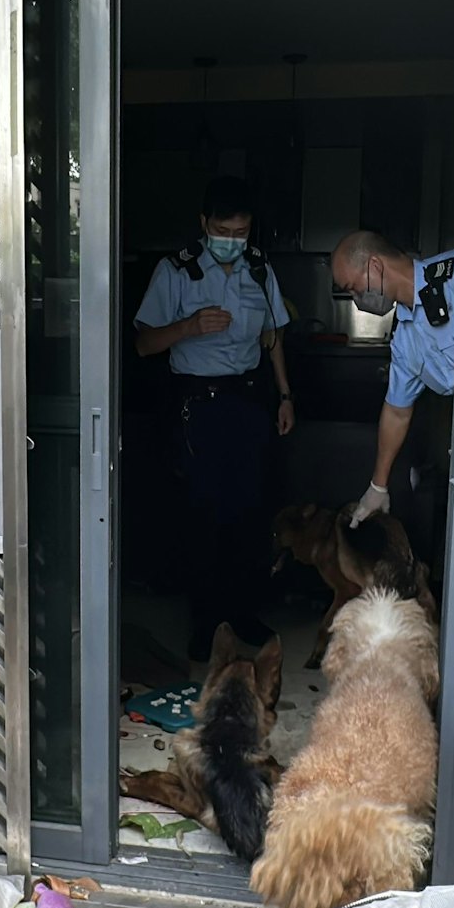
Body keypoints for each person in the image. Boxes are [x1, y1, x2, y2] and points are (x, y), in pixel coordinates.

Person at [134, 176, 295, 658]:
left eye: (241, 232)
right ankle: (205, 623)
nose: (232, 240)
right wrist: (188, 326)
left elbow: (273, 336)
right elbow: (143, 344)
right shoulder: (176, 271)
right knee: (203, 516)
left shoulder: (260, 269)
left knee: (248, 513)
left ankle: (243, 614)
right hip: (197, 406)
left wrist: (286, 395)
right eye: (223, 229)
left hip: (247, 401)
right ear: (204, 224)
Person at [330, 230, 454, 528]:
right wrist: (378, 486)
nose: (356, 299)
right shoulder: (405, 339)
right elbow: (397, 411)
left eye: (353, 288)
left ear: (375, 267)